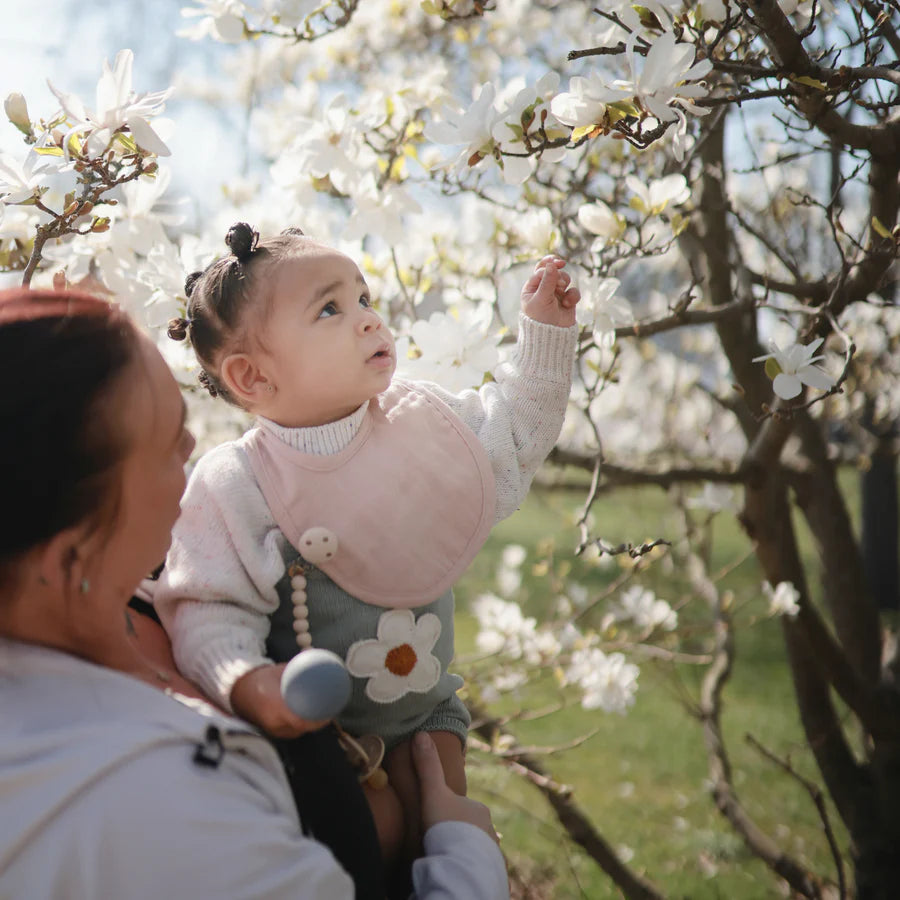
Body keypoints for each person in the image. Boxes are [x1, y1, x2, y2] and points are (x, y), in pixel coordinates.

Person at [0, 286, 509, 900]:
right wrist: (467, 853)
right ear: (70, 554)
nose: (193, 450)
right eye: (166, 443)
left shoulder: (146, 587)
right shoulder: (147, 810)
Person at [153, 221, 580, 876]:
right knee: (366, 854)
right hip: (319, 740)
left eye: (363, 298)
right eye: (330, 309)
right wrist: (252, 685)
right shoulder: (240, 482)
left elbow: (512, 436)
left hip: (429, 715)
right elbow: (207, 608)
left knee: (442, 833)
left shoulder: (420, 423)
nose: (368, 319)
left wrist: (544, 338)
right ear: (253, 376)